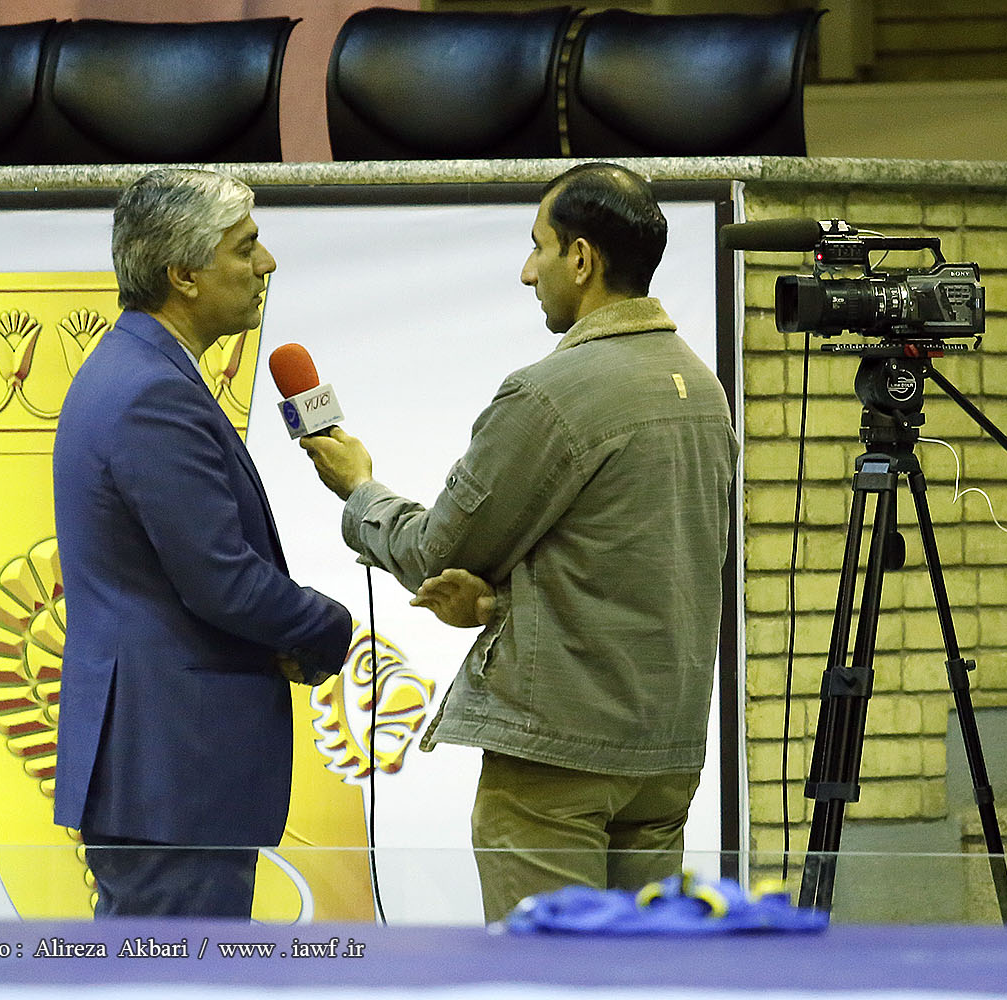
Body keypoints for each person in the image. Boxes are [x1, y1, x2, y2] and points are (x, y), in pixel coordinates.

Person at [302, 162, 738, 922]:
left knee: (547, 972)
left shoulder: (551, 393)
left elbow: (436, 550)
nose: (527, 271)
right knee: (641, 973)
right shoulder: (704, 391)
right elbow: (632, 566)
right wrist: (499, 603)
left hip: (556, 758)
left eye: (539, 246)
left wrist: (359, 490)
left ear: (581, 258)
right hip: (666, 756)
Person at [53, 168, 353, 918]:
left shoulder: (135, 369)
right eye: (245, 247)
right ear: (183, 275)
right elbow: (223, 581)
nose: (267, 264)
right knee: (179, 972)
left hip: (162, 771)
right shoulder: (152, 390)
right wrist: (329, 627)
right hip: (171, 770)